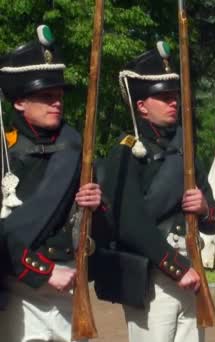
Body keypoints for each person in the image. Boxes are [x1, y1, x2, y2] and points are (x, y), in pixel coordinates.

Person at [97, 42, 215, 342]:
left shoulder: (185, 146)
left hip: (190, 265)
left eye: (174, 96)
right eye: (163, 98)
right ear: (141, 105)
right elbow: (129, 224)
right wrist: (176, 267)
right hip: (152, 272)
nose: (173, 103)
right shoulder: (125, 151)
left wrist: (204, 209)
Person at [0, 25, 101, 341]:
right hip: (18, 287)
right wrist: (42, 271)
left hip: (69, 281)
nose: (56, 103)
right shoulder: (5, 150)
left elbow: (96, 229)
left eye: (58, 96)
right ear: (19, 102)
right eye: (45, 96)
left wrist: (97, 205)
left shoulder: (77, 149)